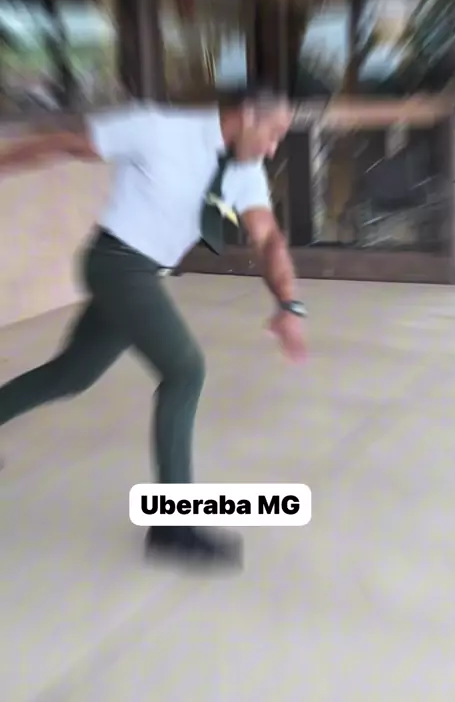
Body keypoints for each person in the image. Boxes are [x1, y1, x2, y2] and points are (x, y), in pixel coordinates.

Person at [0, 89, 307, 567]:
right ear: (247, 115)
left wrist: (288, 303)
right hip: (116, 263)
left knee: (71, 374)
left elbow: (268, 237)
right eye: (273, 134)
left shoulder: (244, 170)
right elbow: (67, 142)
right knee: (185, 371)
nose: (272, 149)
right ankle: (171, 527)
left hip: (143, 273)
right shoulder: (159, 128)